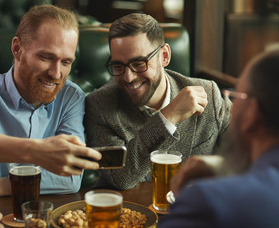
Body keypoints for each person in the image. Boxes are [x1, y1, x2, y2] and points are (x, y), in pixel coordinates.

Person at [0, 5, 101, 201]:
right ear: (17, 49)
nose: (56, 73)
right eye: (45, 57)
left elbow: (70, 177)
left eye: (66, 62)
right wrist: (38, 151)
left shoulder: (71, 96)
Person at [84, 13, 231, 190]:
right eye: (118, 66)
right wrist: (168, 117)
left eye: (139, 64)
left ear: (164, 56)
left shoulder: (209, 93)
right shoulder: (99, 106)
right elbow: (121, 178)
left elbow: (247, 149)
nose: (128, 77)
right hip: (135, 212)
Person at [158, 49, 279, 227]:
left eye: (236, 95)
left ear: (251, 114)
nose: (231, 104)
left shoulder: (206, 201)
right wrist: (223, 165)